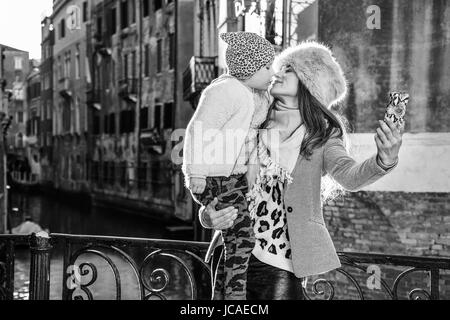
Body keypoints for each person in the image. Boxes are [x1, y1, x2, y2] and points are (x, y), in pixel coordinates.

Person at [199, 41, 403, 300]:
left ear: (308, 85)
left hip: (278, 265)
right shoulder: (249, 118)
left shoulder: (322, 136)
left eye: (288, 69)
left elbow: (348, 175)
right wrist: (207, 215)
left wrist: (383, 160)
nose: (277, 73)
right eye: (279, 68)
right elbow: (216, 181)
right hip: (229, 255)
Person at [182, 32, 275, 300]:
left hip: (229, 179)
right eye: (267, 67)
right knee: (242, 238)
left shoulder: (253, 96)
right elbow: (198, 130)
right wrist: (195, 172)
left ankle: (223, 295)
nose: (273, 74)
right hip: (216, 178)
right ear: (248, 68)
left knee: (237, 240)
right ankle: (234, 297)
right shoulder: (227, 91)